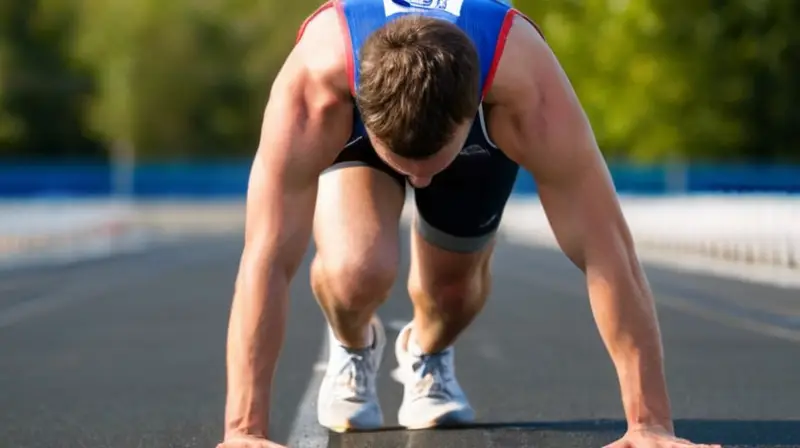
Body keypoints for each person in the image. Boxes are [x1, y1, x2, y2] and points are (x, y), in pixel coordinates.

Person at [217, 0, 722, 447]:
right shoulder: (315, 87)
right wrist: (244, 431)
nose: (419, 180)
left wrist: (649, 424)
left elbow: (608, 249)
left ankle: (425, 354)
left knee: (451, 294)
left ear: (472, 109)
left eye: (430, 163)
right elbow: (265, 255)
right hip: (361, 141)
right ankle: (353, 345)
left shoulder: (525, 86)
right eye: (404, 161)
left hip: (478, 146)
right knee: (357, 270)